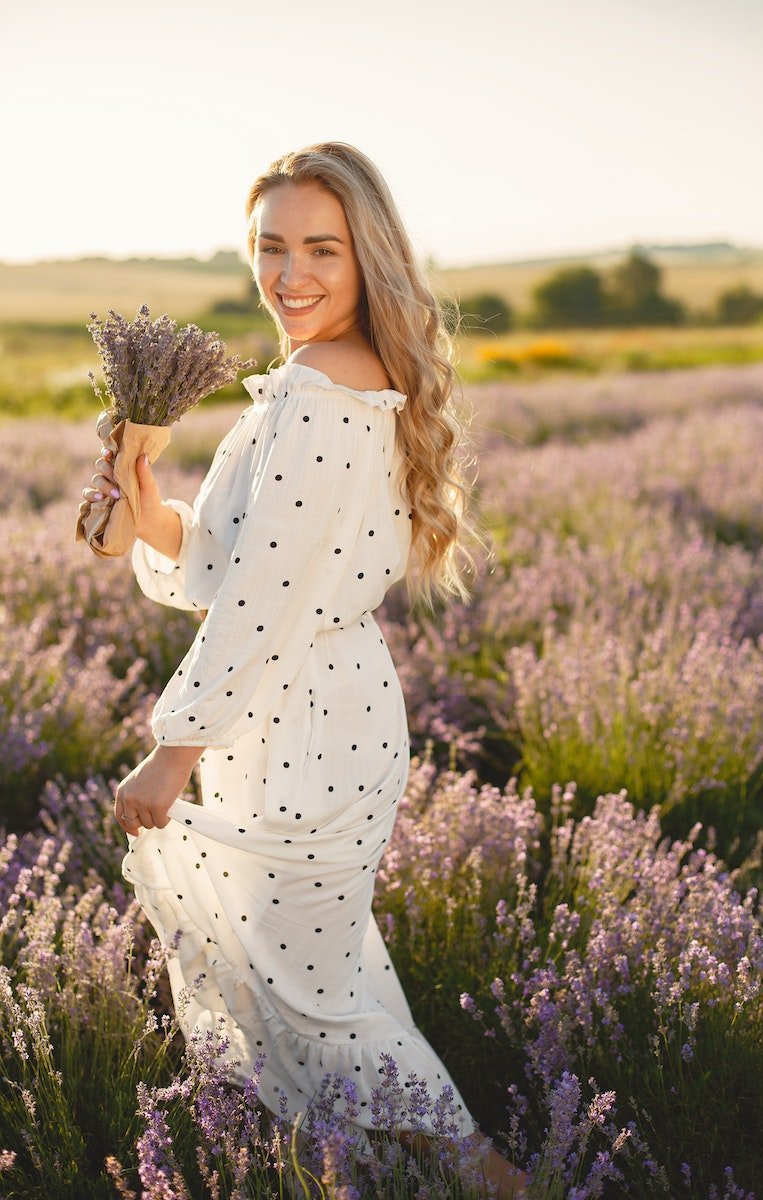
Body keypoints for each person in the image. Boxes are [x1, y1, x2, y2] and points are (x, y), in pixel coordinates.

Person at [82, 141, 528, 1196]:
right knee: (320, 984)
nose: (290, 275)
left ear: (367, 255)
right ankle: (383, 1177)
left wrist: (170, 753)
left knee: (314, 997)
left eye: (320, 248)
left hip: (303, 722)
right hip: (303, 707)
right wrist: (143, 498)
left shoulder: (325, 390)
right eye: (269, 246)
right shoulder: (311, 379)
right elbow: (229, 564)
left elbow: (264, 601)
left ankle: (496, 1183)